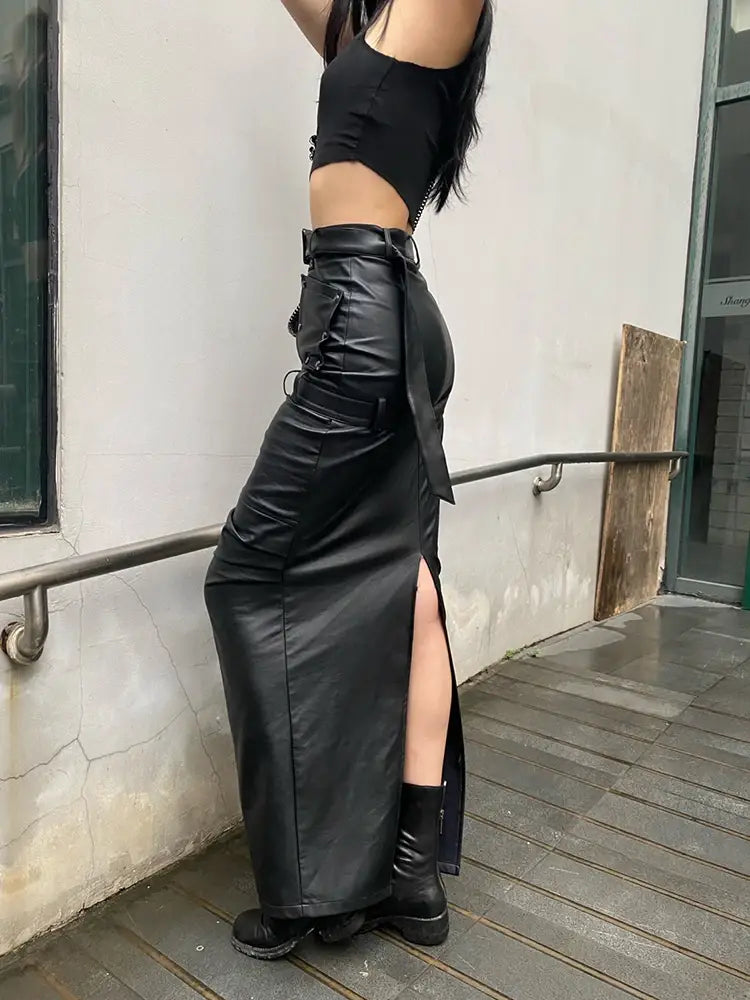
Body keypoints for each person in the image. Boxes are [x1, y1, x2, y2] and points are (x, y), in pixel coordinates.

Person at [204, 0, 492, 962]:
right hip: (379, 317)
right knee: (412, 594)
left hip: (366, 321)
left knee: (246, 578)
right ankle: (409, 876)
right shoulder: (372, 34)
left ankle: (311, 887)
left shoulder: (434, 16)